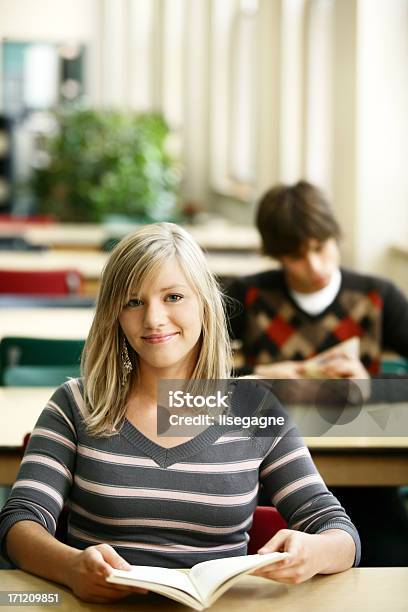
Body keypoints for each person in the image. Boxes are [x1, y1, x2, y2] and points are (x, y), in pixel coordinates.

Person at [0, 222, 359, 603]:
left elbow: (338, 530)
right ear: (115, 316)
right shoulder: (74, 404)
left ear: (204, 304)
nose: (153, 318)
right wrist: (71, 568)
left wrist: (313, 552)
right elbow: (18, 522)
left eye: (173, 297)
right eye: (133, 302)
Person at [225, 180, 408, 566]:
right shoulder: (249, 296)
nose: (315, 267)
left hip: (365, 480)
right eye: (296, 256)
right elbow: (189, 372)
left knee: (390, 556)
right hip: (266, 475)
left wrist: (369, 385)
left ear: (335, 237)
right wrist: (256, 375)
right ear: (275, 256)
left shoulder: (378, 297)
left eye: (321, 247)